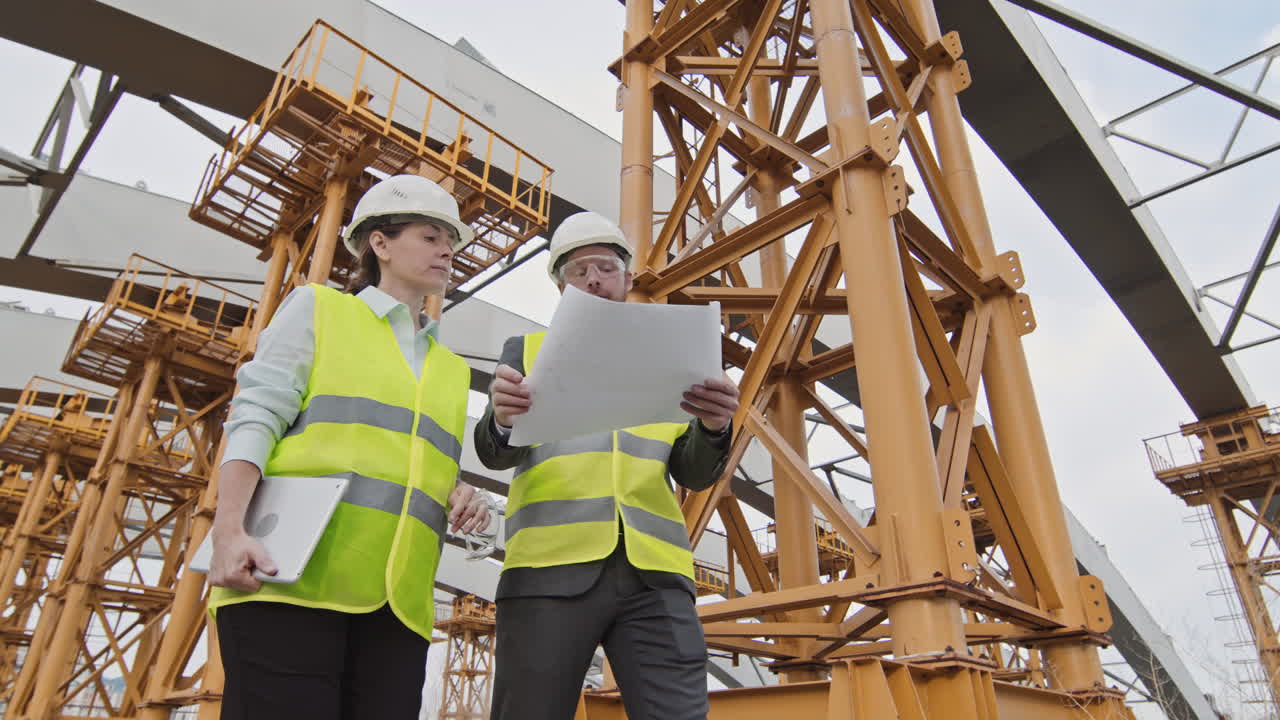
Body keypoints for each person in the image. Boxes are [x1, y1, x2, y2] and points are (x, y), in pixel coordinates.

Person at [208, 174, 493, 720]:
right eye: (430, 235)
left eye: (450, 240)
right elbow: (255, 416)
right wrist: (229, 531)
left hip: (398, 604)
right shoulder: (318, 310)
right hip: (292, 579)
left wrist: (459, 490)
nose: (447, 250)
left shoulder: (450, 370)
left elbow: (411, 457)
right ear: (379, 244)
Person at [475, 212, 740, 720]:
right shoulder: (527, 352)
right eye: (578, 271)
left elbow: (694, 473)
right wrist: (504, 419)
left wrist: (712, 429)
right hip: (548, 572)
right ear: (559, 284)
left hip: (655, 577)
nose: (593, 278)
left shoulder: (676, 353)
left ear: (627, 277)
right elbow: (492, 451)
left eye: (604, 266)